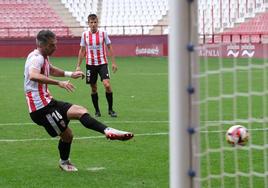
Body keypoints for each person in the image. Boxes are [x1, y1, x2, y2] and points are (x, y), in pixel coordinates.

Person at [24, 30, 134, 172]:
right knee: (68, 135)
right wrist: (59, 83)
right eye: (52, 45)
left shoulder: (42, 56)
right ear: (42, 44)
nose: (55, 48)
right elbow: (33, 75)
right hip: (41, 109)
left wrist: (70, 74)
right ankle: (64, 162)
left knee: (80, 111)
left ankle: (108, 130)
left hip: (48, 102)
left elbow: (50, 69)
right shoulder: (36, 58)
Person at [76, 13, 118, 118]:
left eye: (95, 22)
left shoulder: (103, 33)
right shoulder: (84, 35)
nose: (93, 24)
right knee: (93, 88)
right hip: (90, 65)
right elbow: (82, 50)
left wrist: (113, 62)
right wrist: (78, 66)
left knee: (107, 85)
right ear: (88, 23)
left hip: (102, 63)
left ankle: (110, 109)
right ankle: (97, 111)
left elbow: (109, 47)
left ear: (97, 23)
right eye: (91, 22)